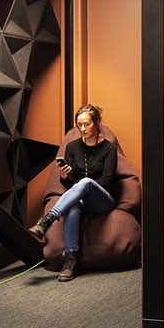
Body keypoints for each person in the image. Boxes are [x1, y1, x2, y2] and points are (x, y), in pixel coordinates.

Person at [28, 104, 119, 282]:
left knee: (85, 182)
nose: (83, 129)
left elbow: (107, 181)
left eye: (87, 124)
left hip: (102, 200)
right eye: (79, 125)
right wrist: (68, 174)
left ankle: (47, 220)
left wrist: (84, 185)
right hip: (80, 199)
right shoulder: (72, 147)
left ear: (97, 123)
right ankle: (71, 261)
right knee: (74, 206)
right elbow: (69, 184)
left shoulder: (109, 149)